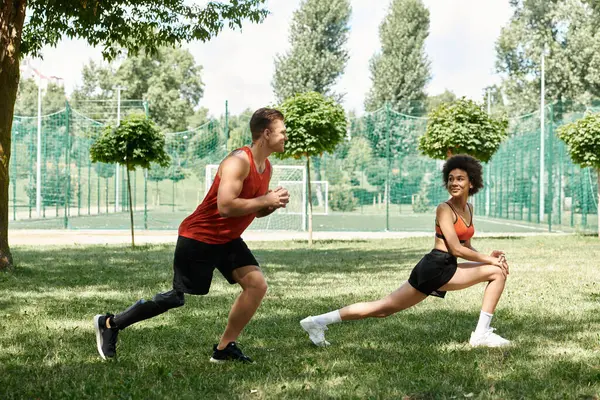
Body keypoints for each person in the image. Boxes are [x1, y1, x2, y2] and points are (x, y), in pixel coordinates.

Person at [94, 108, 289, 363]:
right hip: (199, 236)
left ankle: (224, 348)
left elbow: (251, 209)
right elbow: (226, 206)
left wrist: (268, 206)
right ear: (266, 133)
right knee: (176, 298)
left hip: (227, 239)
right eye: (282, 131)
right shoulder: (238, 162)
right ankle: (110, 323)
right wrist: (265, 199)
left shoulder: (267, 168)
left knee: (256, 285)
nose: (286, 136)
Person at [300, 154, 511, 348]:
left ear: (471, 182)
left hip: (445, 266)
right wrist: (488, 262)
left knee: (382, 309)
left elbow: (465, 246)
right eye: (451, 178)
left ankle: (316, 322)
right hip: (436, 267)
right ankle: (481, 334)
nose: (454, 183)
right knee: (497, 271)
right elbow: (455, 248)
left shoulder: (469, 209)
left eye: (460, 179)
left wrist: (487, 258)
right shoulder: (444, 209)